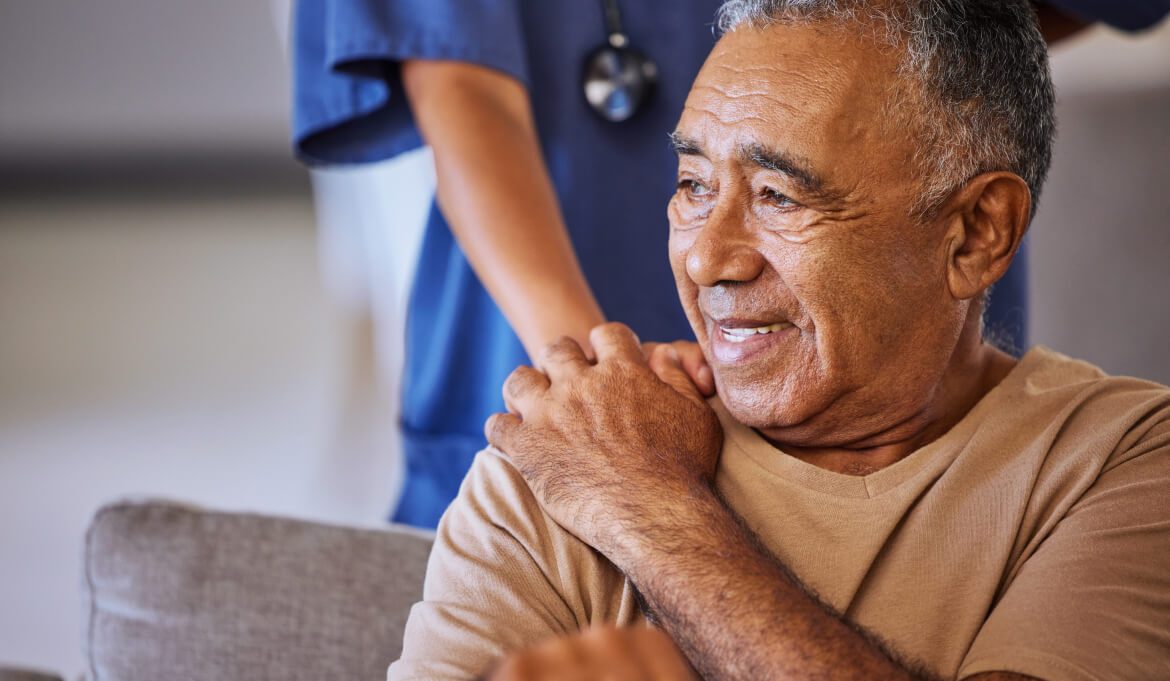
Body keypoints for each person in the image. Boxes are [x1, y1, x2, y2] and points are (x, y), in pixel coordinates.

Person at [388, 1, 1170, 680]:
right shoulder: (565, 459)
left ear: (974, 233)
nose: (705, 257)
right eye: (693, 185)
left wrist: (655, 513)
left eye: (778, 194)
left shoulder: (1123, 461)